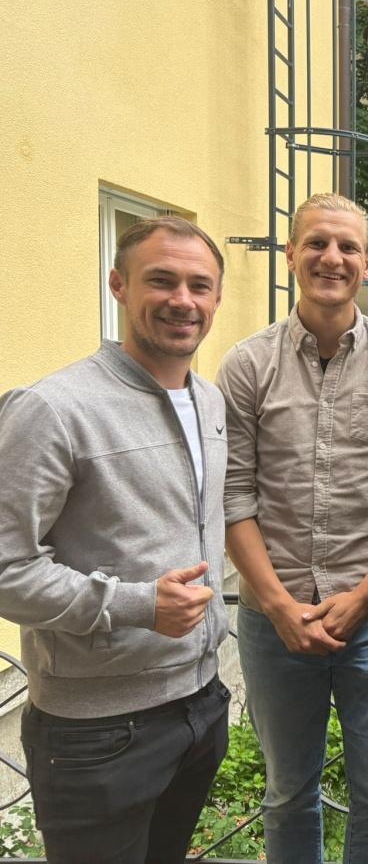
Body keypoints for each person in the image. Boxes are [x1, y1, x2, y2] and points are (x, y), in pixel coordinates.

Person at [217, 193, 368, 864]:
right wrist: (282, 605)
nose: (331, 258)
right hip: (271, 616)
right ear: (290, 255)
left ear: (367, 262)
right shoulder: (246, 366)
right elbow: (234, 495)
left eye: (347, 246)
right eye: (316, 243)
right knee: (288, 790)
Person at [0, 216, 230, 862]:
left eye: (200, 286)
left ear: (216, 299)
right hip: (96, 732)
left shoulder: (210, 403)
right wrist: (135, 604)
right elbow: (5, 567)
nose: (183, 301)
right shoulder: (52, 409)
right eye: (162, 281)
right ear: (118, 285)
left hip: (200, 706)